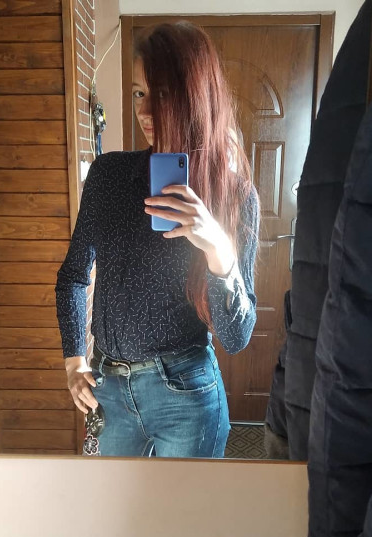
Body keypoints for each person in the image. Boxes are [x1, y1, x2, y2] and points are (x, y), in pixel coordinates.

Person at [55, 21, 259, 458]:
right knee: (110, 502)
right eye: (138, 93)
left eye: (162, 93)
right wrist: (74, 359)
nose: (145, 111)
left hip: (187, 396)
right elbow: (73, 275)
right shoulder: (108, 177)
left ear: (196, 96)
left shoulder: (233, 197)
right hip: (108, 390)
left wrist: (218, 247)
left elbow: (235, 337)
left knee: (184, 506)